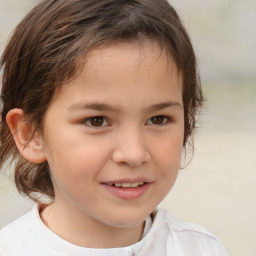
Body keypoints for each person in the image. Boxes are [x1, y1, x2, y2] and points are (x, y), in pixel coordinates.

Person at [0, 0, 230, 255]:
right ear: (31, 134)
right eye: (96, 121)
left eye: (158, 119)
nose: (133, 154)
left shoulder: (203, 250)